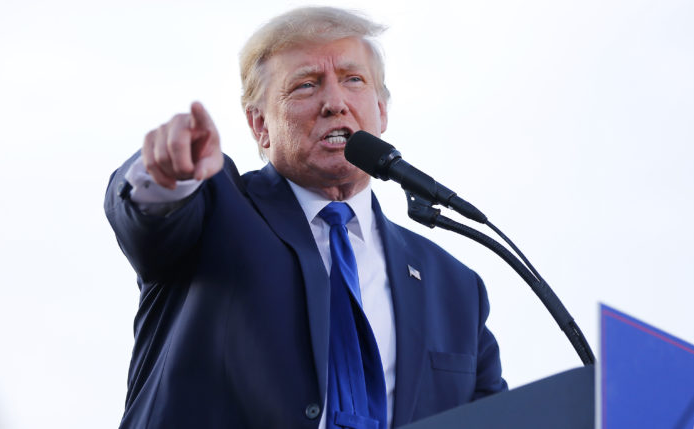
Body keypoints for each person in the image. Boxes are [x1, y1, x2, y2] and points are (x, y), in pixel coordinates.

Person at [105, 6, 507, 429]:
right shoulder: (215, 207)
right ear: (260, 124)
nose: (335, 103)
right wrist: (167, 175)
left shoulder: (456, 287)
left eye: (353, 79)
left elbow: (501, 418)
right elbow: (150, 220)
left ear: (382, 111)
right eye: (305, 85)